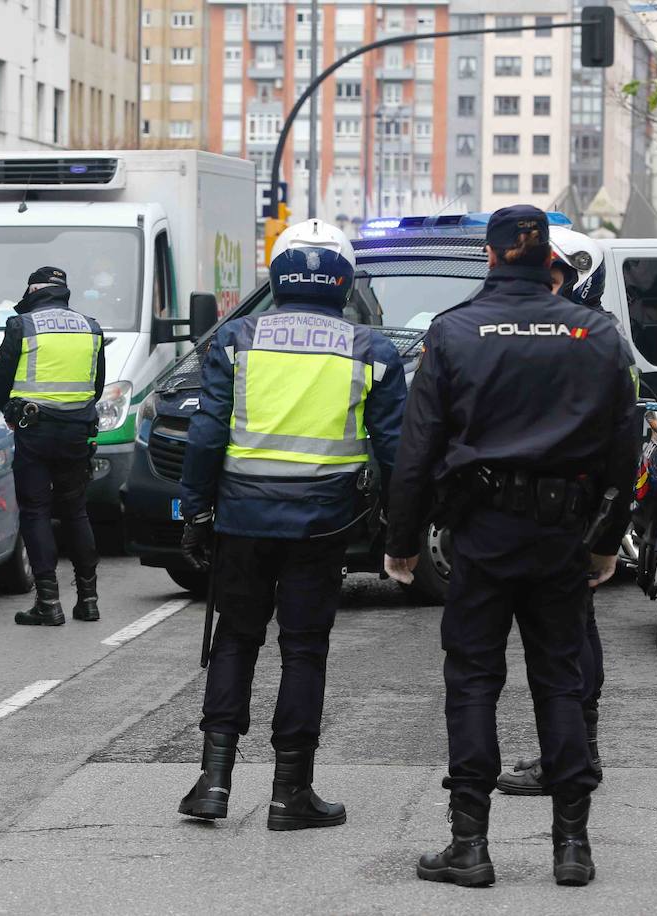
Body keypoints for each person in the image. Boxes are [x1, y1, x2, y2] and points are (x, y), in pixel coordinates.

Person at [384, 205, 640, 888]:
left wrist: (401, 541)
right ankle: (573, 846)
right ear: (548, 257)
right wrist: (607, 540)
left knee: (472, 680)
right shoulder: (598, 331)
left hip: (483, 533)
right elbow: (625, 445)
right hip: (562, 535)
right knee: (560, 679)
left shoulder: (455, 331)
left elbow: (417, 450)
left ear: (491, 257)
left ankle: (469, 844)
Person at [176, 219, 407, 831]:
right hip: (324, 525)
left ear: (277, 275)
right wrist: (402, 527)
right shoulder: (371, 349)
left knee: (234, 640)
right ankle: (289, 794)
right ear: (344, 280)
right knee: (304, 650)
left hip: (243, 520)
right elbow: (395, 449)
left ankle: (213, 783)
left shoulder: (235, 339)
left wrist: (196, 511)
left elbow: (206, 434)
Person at [498, 225, 609, 797]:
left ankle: (574, 758)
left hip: (561, 512)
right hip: (574, 511)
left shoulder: (573, 338)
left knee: (563, 645)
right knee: (573, 635)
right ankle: (577, 753)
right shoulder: (587, 335)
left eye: (554, 271)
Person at [0, 266, 106, 626]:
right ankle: (88, 601)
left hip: (35, 430)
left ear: (34, 291)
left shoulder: (21, 325)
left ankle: (49, 603)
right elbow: (97, 385)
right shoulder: (90, 326)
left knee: (36, 511)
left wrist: (11, 409)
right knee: (76, 511)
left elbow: (0, 384)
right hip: (76, 431)